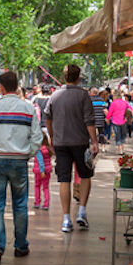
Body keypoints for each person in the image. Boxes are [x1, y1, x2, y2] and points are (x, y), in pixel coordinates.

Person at [0, 71, 42, 265]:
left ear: (1, 88)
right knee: (20, 205)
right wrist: (27, 154)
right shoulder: (28, 108)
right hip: (18, 162)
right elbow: (37, 138)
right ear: (17, 86)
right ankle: (20, 245)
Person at [45, 64, 99, 233]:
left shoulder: (55, 95)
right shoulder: (83, 96)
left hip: (61, 143)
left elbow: (47, 116)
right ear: (78, 77)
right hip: (81, 142)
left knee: (64, 180)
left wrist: (52, 136)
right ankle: (82, 211)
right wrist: (95, 141)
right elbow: (89, 121)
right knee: (85, 175)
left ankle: (66, 219)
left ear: (64, 77)